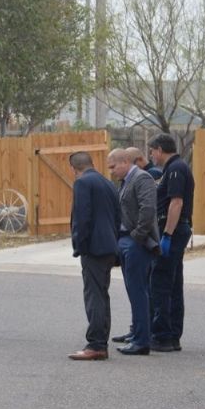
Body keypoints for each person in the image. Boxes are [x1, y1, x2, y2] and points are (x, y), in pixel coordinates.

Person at [67, 151, 120, 361]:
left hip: (93, 248)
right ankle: (100, 342)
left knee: (94, 295)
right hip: (109, 246)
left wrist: (79, 245)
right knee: (102, 294)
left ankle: (96, 344)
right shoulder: (108, 183)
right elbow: (118, 216)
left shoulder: (82, 183)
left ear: (73, 168)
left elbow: (82, 218)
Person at [107, 149, 159, 355]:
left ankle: (141, 341)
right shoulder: (127, 181)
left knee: (138, 292)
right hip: (126, 240)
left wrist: (137, 236)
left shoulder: (142, 178)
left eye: (113, 166)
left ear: (126, 161)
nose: (111, 171)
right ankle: (136, 334)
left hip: (136, 241)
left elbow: (148, 210)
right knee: (133, 291)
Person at [147, 134, 195, 352]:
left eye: (151, 151)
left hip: (172, 231)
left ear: (159, 149)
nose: (151, 156)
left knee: (161, 283)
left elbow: (176, 203)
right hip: (176, 230)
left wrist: (167, 234)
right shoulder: (175, 167)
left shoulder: (175, 169)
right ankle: (173, 335)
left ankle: (163, 336)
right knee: (173, 284)